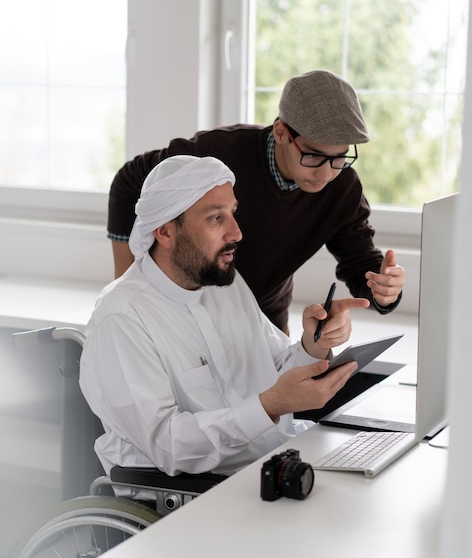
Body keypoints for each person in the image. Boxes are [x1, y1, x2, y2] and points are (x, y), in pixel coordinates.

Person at [80, 155, 370, 479]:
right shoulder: (121, 318)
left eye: (233, 212)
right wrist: (268, 406)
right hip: (192, 494)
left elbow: (274, 372)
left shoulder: (223, 283)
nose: (236, 232)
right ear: (164, 232)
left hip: (270, 462)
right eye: (216, 218)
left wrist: (313, 345)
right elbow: (167, 446)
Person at [108, 69, 405, 332]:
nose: (327, 173)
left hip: (265, 320)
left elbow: (360, 262)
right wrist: (128, 282)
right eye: (313, 155)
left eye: (340, 158)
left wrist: (383, 289)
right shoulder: (217, 154)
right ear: (281, 132)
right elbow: (131, 179)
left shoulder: (343, 189)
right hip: (189, 317)